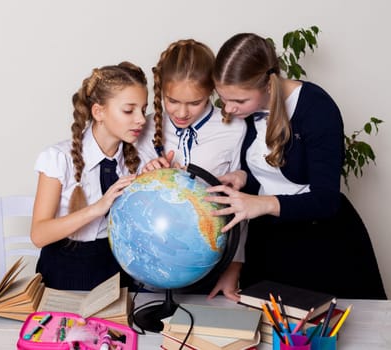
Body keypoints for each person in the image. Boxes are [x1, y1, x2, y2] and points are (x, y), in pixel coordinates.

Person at [206, 33, 387, 299]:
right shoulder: (246, 112)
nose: (229, 109)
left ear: (267, 85)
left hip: (320, 245)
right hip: (268, 242)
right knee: (266, 332)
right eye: (224, 99)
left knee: (322, 335)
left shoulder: (316, 108)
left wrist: (263, 203)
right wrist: (244, 177)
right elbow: (270, 172)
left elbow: (326, 200)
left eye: (239, 101)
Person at [137, 39, 247, 301]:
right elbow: (129, 195)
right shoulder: (145, 127)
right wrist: (145, 176)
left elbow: (241, 209)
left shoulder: (233, 129)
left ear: (212, 90)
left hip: (209, 263)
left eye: (194, 102)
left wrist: (233, 270)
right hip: (149, 266)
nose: (182, 112)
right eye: (172, 100)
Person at [30, 62, 148, 291]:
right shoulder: (58, 158)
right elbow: (39, 235)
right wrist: (98, 208)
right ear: (98, 112)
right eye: (129, 110)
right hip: (62, 272)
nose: (141, 119)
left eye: (143, 110)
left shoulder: (137, 161)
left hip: (116, 270)